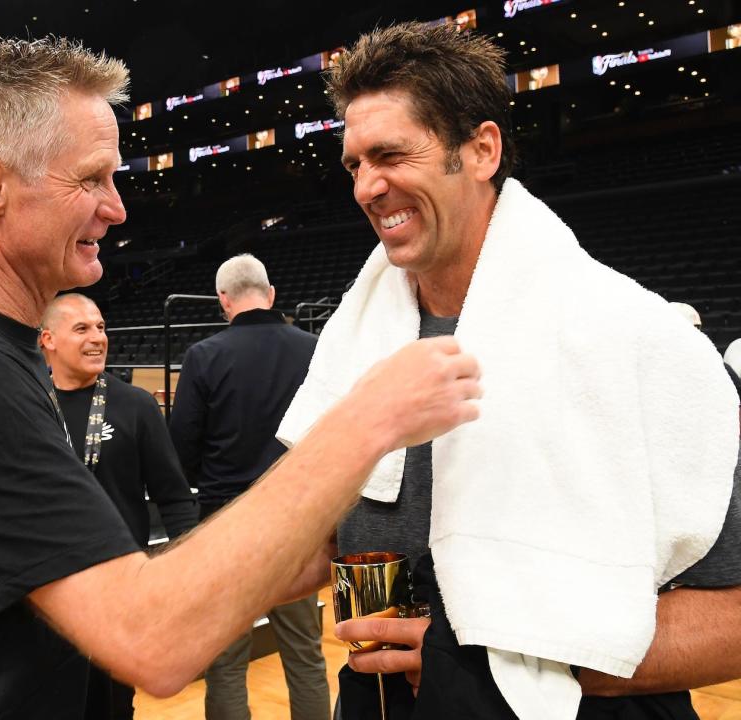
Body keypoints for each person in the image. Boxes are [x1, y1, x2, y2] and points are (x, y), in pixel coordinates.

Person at [0, 32, 482, 720]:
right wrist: (368, 419)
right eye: (90, 179)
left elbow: (112, 594)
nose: (116, 208)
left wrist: (335, 538)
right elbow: (156, 643)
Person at [277, 22, 741, 720]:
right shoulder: (354, 345)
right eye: (353, 165)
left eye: (391, 154)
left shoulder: (636, 338)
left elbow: (734, 620)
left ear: (482, 149)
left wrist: (496, 664)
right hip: (377, 702)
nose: (368, 187)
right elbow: (329, 549)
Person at [170, 254, 329, 720]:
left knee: (224, 660)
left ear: (223, 300)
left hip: (225, 522)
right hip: (296, 522)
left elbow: (182, 449)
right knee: (305, 655)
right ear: (271, 293)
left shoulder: (204, 356)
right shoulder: (313, 348)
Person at [40, 292, 199, 720]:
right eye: (82, 329)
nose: (97, 338)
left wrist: (182, 575)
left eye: (101, 327)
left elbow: (175, 497)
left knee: (111, 707)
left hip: (117, 594)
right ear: (47, 340)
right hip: (44, 590)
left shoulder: (136, 405)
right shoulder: (27, 405)